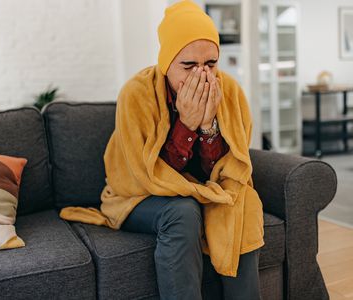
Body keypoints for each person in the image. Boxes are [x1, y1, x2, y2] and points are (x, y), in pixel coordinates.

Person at [60, 1, 264, 299]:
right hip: (137, 195)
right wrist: (186, 124)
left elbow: (228, 170)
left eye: (210, 64)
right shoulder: (136, 93)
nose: (201, 76)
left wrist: (208, 127)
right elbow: (144, 176)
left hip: (200, 188)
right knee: (182, 211)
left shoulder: (228, 91)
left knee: (241, 202)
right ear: (167, 62)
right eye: (188, 66)